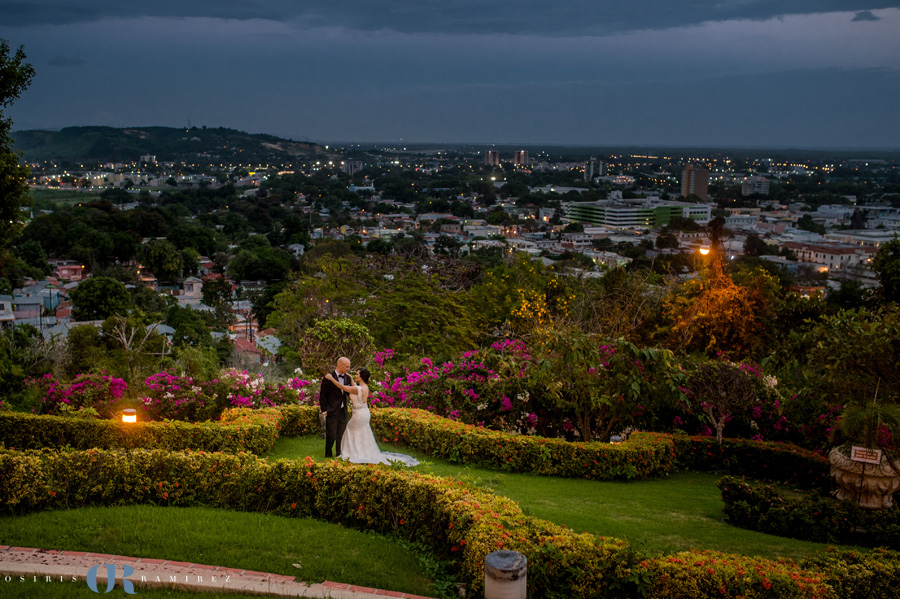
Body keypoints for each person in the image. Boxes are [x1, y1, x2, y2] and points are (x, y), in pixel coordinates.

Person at [324, 368, 419, 466]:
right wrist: (350, 377)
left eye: (357, 374)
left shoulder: (357, 389)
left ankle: (352, 453)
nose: (355, 375)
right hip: (364, 412)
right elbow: (354, 387)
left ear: (361, 377)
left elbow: (342, 387)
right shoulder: (364, 387)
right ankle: (361, 451)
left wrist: (331, 378)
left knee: (349, 430)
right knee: (362, 432)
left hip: (359, 414)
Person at [319, 357, 351, 458]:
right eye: (347, 366)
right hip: (332, 410)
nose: (348, 369)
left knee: (341, 434)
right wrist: (324, 410)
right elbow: (323, 395)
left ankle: (339, 454)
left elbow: (348, 393)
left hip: (343, 410)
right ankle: (328, 454)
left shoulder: (348, 378)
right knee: (331, 435)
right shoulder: (328, 378)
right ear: (340, 366)